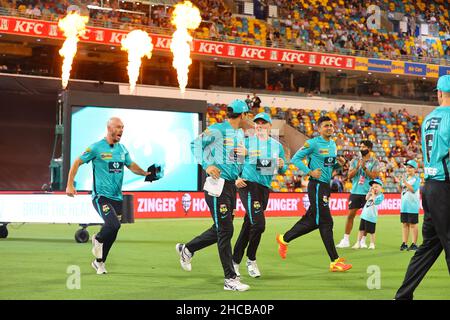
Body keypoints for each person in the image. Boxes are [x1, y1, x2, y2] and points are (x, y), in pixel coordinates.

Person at [176, 99, 251, 291]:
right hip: (217, 187)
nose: (248, 118)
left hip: (230, 187)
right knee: (225, 231)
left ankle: (188, 249)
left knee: (220, 228)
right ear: (242, 115)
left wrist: (241, 167)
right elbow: (195, 145)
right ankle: (230, 279)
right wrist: (207, 165)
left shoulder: (240, 134)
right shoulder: (218, 129)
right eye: (247, 114)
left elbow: (236, 160)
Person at [65, 117, 150, 274]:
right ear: (109, 128)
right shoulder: (96, 148)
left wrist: (145, 173)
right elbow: (77, 162)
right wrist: (70, 184)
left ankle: (99, 262)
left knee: (113, 231)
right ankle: (97, 238)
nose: (121, 130)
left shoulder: (122, 149)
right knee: (113, 225)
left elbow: (131, 165)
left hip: (117, 198)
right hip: (100, 197)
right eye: (118, 127)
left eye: (123, 127)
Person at [395, 75, 450, 300]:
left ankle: (403, 295)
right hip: (446, 188)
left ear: (439, 93)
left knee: (430, 246)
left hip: (430, 188)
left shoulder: (428, 119)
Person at [276, 116, 352, 272]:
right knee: (326, 222)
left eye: (331, 125)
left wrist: (339, 164)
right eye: (326, 126)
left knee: (313, 219)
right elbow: (295, 159)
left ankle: (284, 239)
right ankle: (334, 261)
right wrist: (309, 171)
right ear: (319, 129)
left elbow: (329, 166)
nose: (329, 128)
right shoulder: (312, 143)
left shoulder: (332, 144)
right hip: (316, 186)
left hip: (325, 186)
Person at [232, 112, 287, 278]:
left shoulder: (277, 146)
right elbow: (232, 163)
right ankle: (251, 259)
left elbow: (279, 168)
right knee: (259, 224)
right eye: (257, 123)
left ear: (270, 126)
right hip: (247, 185)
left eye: (263, 123)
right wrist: (236, 178)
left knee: (249, 225)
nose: (260, 126)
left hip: (264, 187)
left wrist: (283, 165)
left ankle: (234, 262)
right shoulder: (246, 142)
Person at [336, 140, 379, 248]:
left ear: (369, 148)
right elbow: (349, 176)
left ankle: (363, 241)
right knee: (350, 215)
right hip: (355, 191)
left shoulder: (375, 162)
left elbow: (374, 176)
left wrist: (364, 168)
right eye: (360, 146)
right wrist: (357, 167)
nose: (361, 148)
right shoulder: (355, 160)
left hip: (368, 193)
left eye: (363, 146)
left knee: (366, 217)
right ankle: (345, 240)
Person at [395, 160, 421, 251]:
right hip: (404, 206)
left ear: (415, 169)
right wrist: (398, 182)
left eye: (410, 167)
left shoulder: (417, 179)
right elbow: (400, 190)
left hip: (413, 206)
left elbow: (413, 189)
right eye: (407, 167)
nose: (408, 169)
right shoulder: (406, 179)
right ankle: (404, 243)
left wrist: (405, 182)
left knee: (413, 225)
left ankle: (414, 244)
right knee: (405, 224)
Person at [352, 179, 384, 250]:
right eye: (373, 187)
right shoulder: (371, 193)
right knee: (361, 229)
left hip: (371, 216)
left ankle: (372, 243)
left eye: (376, 187)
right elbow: (366, 198)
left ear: (380, 188)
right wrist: (369, 192)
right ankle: (358, 242)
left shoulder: (380, 196)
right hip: (364, 215)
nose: (374, 188)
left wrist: (373, 194)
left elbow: (374, 201)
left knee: (372, 231)